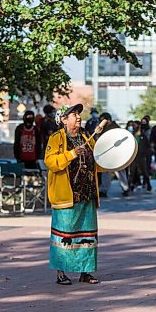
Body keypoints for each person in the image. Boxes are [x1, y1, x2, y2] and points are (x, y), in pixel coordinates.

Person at [44, 104, 102, 285]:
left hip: (87, 194)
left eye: (79, 114)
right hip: (67, 196)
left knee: (87, 235)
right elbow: (50, 162)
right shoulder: (56, 138)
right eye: (74, 115)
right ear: (63, 120)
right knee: (64, 235)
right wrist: (70, 154)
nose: (78, 117)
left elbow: (97, 161)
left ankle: (85, 271)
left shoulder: (87, 137)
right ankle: (61, 273)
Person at [98, 112, 130, 197]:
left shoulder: (116, 128)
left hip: (116, 154)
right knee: (105, 172)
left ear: (108, 120)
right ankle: (104, 189)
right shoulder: (102, 128)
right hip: (106, 153)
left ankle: (125, 188)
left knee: (119, 171)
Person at [129, 120, 152, 192]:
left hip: (141, 156)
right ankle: (130, 185)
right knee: (132, 172)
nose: (133, 127)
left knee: (144, 171)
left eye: (135, 125)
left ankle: (148, 184)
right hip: (133, 156)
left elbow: (148, 146)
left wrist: (146, 155)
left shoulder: (143, 136)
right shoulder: (131, 135)